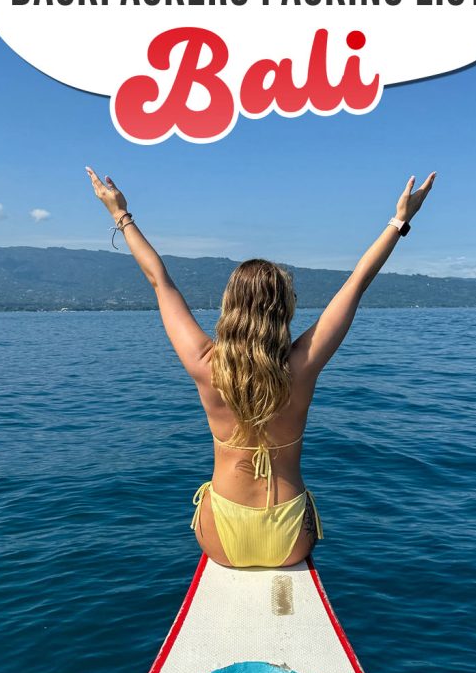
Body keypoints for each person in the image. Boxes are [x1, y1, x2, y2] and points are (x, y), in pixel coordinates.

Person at [85, 165, 436, 569]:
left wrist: (120, 215)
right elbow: (358, 281)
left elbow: (160, 281)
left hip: (222, 536)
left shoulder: (206, 364)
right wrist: (399, 220)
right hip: (289, 537)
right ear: (284, 308)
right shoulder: (302, 365)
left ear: (229, 305)